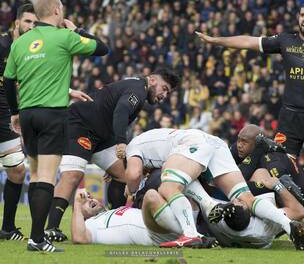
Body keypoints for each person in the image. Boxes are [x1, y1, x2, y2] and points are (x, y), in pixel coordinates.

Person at [3, 0, 108, 252]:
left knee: (36, 174)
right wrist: (78, 30)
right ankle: (37, 239)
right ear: (57, 11)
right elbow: (102, 49)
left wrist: (15, 112)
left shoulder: (21, 42)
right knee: (47, 178)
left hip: (27, 115)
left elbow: (7, 81)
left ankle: (35, 236)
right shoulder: (64, 36)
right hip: (52, 114)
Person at [46, 68, 179, 241]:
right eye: (164, 88)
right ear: (152, 80)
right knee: (73, 175)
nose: (164, 95)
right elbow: (121, 111)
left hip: (101, 135)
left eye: (168, 92)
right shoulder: (138, 90)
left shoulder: (136, 87)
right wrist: (121, 142)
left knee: (125, 176)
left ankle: (109, 219)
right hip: (81, 125)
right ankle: (51, 228)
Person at [125, 128, 304, 249]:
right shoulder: (151, 139)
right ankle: (288, 225)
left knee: (169, 186)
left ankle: (190, 233)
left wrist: (131, 189)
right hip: (214, 142)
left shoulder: (132, 146)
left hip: (192, 143)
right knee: (245, 197)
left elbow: (133, 175)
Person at [196, 7, 304, 160]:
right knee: (282, 164)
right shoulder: (286, 40)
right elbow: (247, 41)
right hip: (290, 117)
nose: (303, 19)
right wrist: (216, 40)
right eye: (302, 15)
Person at [0, 4, 37, 242]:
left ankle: (7, 229)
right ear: (17, 22)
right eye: (27, 22)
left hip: (6, 119)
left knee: (17, 170)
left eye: (35, 23)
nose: (31, 27)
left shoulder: (30, 52)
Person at [71, 188, 216, 248]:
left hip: (170, 222)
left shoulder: (110, 212)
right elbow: (79, 238)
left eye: (89, 196)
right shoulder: (90, 225)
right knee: (151, 195)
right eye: (85, 202)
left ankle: (196, 233)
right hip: (154, 233)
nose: (88, 198)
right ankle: (193, 234)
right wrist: (77, 203)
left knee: (176, 186)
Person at [231, 124, 304, 196]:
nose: (239, 145)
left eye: (244, 142)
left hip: (295, 192)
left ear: (257, 143)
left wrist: (257, 151)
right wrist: (258, 151)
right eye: (238, 140)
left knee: (259, 174)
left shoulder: (272, 162)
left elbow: (238, 184)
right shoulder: (239, 148)